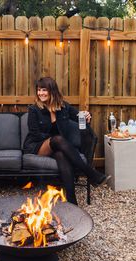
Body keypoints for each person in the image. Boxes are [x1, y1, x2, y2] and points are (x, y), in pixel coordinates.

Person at [23, 77, 109, 205]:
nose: (40, 93)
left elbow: (79, 116)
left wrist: (86, 115)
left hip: (59, 147)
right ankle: (91, 173)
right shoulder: (34, 110)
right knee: (57, 139)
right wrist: (51, 140)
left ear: (52, 91)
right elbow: (35, 134)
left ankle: (72, 202)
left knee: (61, 156)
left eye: (44, 90)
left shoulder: (64, 107)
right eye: (39, 90)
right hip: (38, 146)